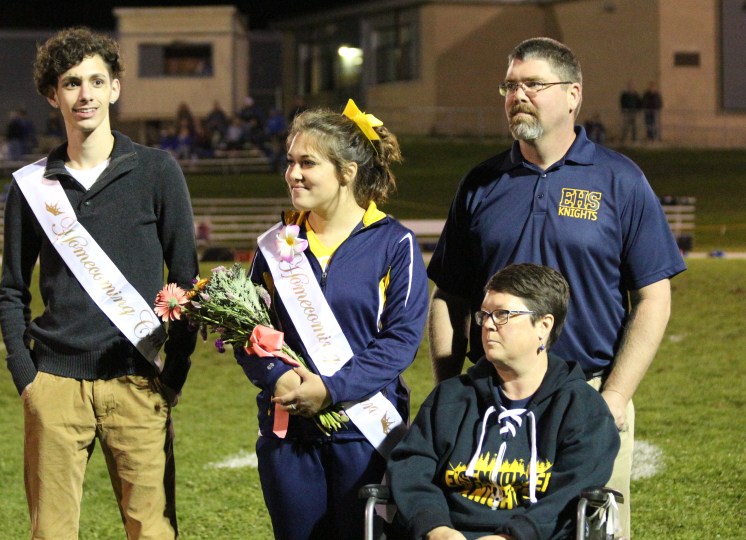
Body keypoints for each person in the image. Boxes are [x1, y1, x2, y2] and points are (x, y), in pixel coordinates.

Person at [426, 37, 686, 539]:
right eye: (510, 85)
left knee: (592, 530)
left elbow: (653, 297)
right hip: (492, 400)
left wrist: (614, 396)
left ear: (573, 94)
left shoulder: (620, 180)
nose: (517, 95)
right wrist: (447, 390)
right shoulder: (481, 183)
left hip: (589, 395)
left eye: (532, 84)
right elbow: (449, 297)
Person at [0, 27, 198, 539]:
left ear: (115, 87)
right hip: (55, 386)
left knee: (152, 531)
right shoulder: (31, 187)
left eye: (95, 80)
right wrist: (28, 379)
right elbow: (12, 291)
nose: (84, 94)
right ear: (52, 95)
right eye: (70, 83)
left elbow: (187, 279)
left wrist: (173, 371)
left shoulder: (157, 171)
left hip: (137, 382)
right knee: (52, 533)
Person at [235, 99, 429, 540]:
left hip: (365, 434)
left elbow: (400, 341)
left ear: (347, 171)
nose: (293, 174)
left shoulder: (395, 243)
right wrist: (275, 378)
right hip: (288, 434)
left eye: (308, 162)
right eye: (290, 162)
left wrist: (331, 389)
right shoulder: (274, 245)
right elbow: (248, 330)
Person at [389, 263, 620, 540]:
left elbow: (572, 492)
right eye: (485, 314)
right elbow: (411, 469)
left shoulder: (582, 408)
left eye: (502, 315)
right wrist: (436, 529)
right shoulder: (451, 398)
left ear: (544, 326)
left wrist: (512, 536)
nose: (487, 324)